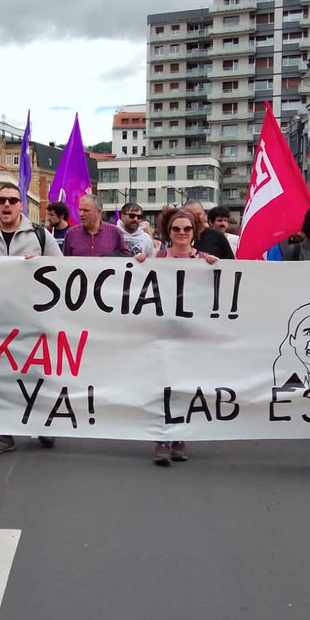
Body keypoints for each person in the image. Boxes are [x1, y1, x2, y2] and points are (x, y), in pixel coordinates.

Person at [0, 184, 63, 456]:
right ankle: (4, 433)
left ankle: (41, 422)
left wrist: (42, 262)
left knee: (33, 373)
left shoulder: (40, 235)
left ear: (21, 205)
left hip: (31, 319)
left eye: (13, 200)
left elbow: (63, 270)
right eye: (2, 200)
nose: (7, 205)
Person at [133, 207, 218, 466]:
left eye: (187, 229)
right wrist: (137, 264)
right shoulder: (157, 258)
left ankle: (180, 436)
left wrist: (216, 268)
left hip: (191, 334)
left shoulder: (205, 261)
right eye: (176, 229)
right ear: (168, 233)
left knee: (183, 386)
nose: (181, 233)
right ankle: (161, 438)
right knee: (161, 386)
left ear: (194, 232)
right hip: (161, 332)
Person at [63, 195, 131, 257]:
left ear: (98, 211)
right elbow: (65, 262)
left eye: (86, 210)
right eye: (80, 210)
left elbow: (126, 258)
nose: (81, 214)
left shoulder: (114, 232)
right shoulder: (71, 233)